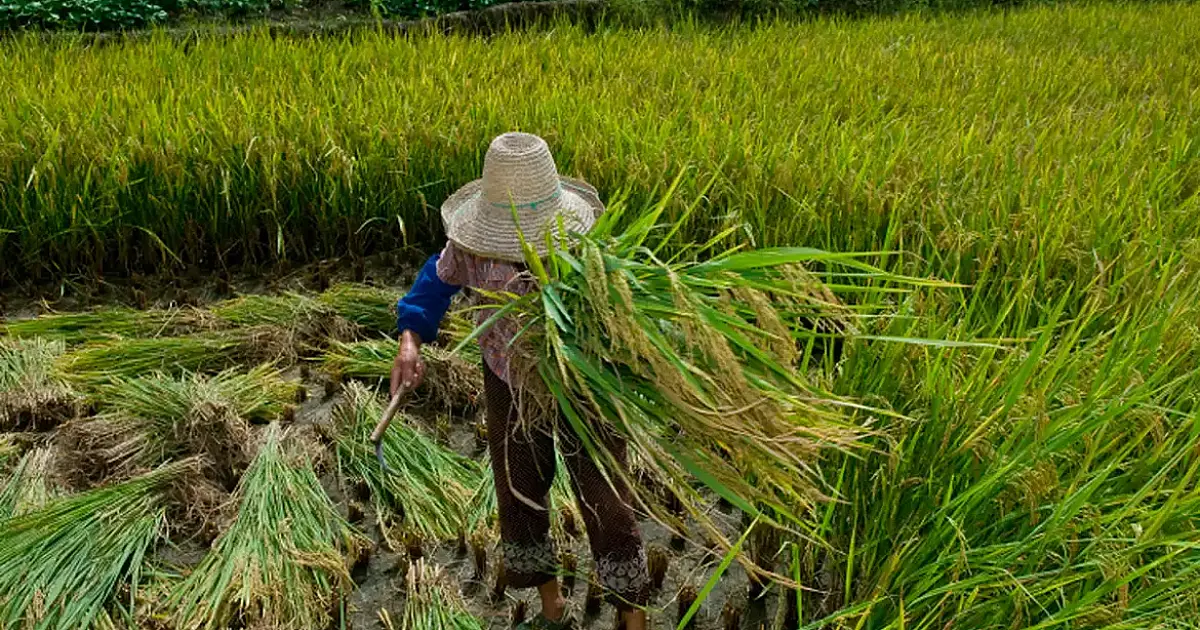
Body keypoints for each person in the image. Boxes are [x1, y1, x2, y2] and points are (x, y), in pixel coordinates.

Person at [390, 132, 649, 630]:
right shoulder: (469, 251)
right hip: (509, 382)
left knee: (606, 500)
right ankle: (552, 608)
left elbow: (627, 310)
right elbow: (431, 286)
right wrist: (409, 340)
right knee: (519, 491)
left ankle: (633, 616)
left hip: (582, 382)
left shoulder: (586, 250)